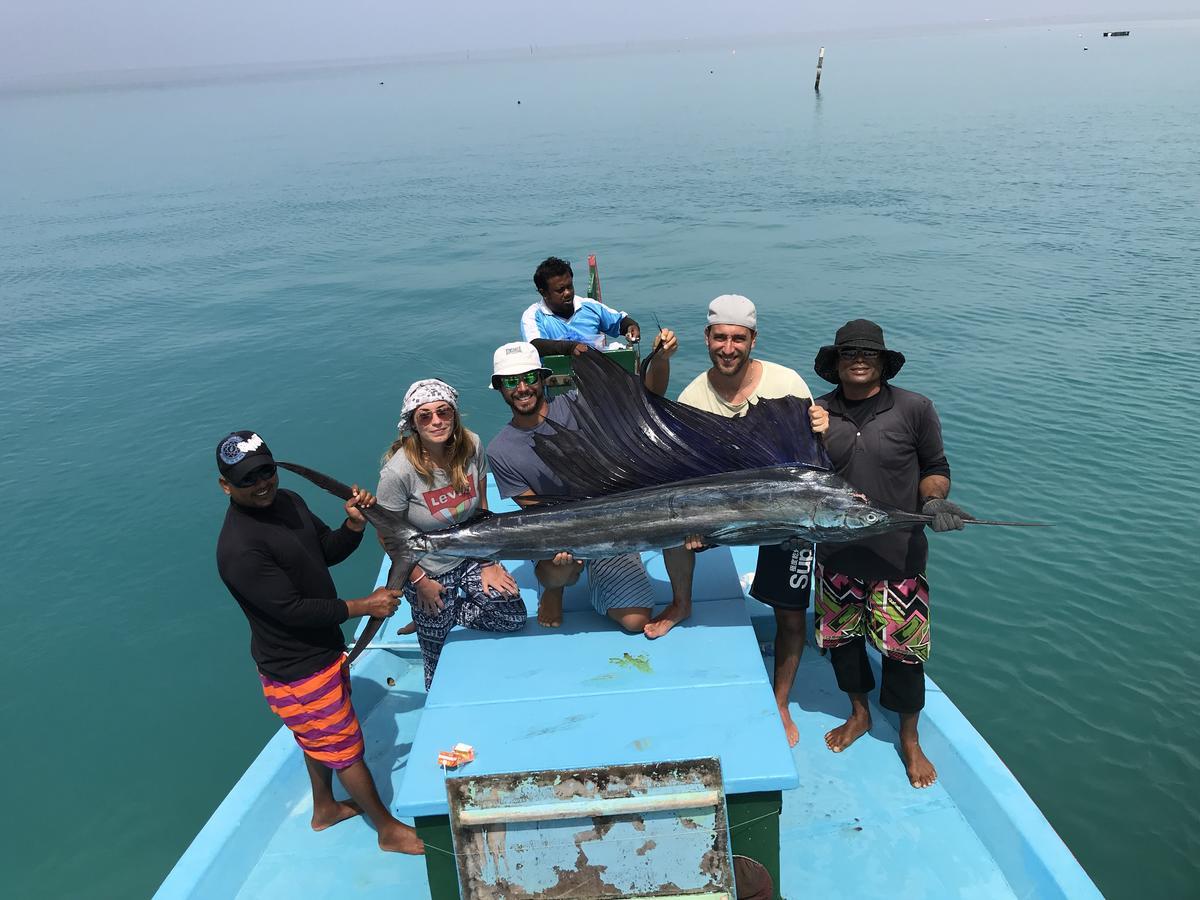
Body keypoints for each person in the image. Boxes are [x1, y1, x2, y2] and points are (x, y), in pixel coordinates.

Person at [214, 430, 423, 855]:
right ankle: (385, 828)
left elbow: (324, 551)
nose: (261, 484)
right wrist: (366, 605)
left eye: (265, 471)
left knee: (319, 737)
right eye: (247, 479)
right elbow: (292, 610)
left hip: (323, 653)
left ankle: (324, 807)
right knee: (345, 749)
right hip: (297, 670)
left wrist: (352, 525)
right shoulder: (239, 549)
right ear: (225, 486)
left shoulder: (288, 501)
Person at [811, 319, 968, 789]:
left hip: (898, 557)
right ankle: (859, 713)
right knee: (841, 645)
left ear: (883, 362)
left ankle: (910, 738)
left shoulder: (914, 408)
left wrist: (935, 500)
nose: (859, 359)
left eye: (869, 353)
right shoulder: (816, 413)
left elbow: (936, 467)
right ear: (835, 363)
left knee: (904, 655)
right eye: (849, 353)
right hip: (837, 556)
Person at [669, 294, 828, 750]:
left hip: (786, 515)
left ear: (752, 339)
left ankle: (779, 702)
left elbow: (812, 462)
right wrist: (701, 528)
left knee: (792, 612)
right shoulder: (693, 396)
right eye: (720, 337)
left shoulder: (787, 382)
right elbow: (683, 474)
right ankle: (680, 602)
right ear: (707, 338)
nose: (728, 347)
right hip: (722, 510)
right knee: (672, 529)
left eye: (738, 338)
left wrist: (824, 426)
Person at [487, 341, 692, 633]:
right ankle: (554, 591)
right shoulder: (499, 450)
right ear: (500, 387)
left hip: (610, 524)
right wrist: (572, 539)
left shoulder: (579, 404)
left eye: (530, 377)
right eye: (511, 381)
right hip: (557, 530)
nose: (522, 388)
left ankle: (598, 579)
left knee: (635, 622)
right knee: (560, 567)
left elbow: (648, 395)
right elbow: (536, 513)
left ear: (543, 378)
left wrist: (660, 359)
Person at [375, 379, 527, 690]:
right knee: (437, 662)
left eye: (443, 412)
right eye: (425, 416)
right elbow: (387, 537)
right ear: (413, 424)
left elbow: (482, 507)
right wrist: (420, 583)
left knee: (512, 617)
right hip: (426, 569)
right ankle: (427, 617)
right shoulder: (397, 473)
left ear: (454, 414)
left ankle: (448, 613)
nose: (436, 421)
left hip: (471, 553)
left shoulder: (471, 444)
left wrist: (489, 561)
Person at [521, 256, 641, 356]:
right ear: (544, 293)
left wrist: (630, 326)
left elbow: (620, 322)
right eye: (560, 290)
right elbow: (535, 345)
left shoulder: (589, 306)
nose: (567, 293)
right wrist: (570, 347)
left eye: (570, 286)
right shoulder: (533, 316)